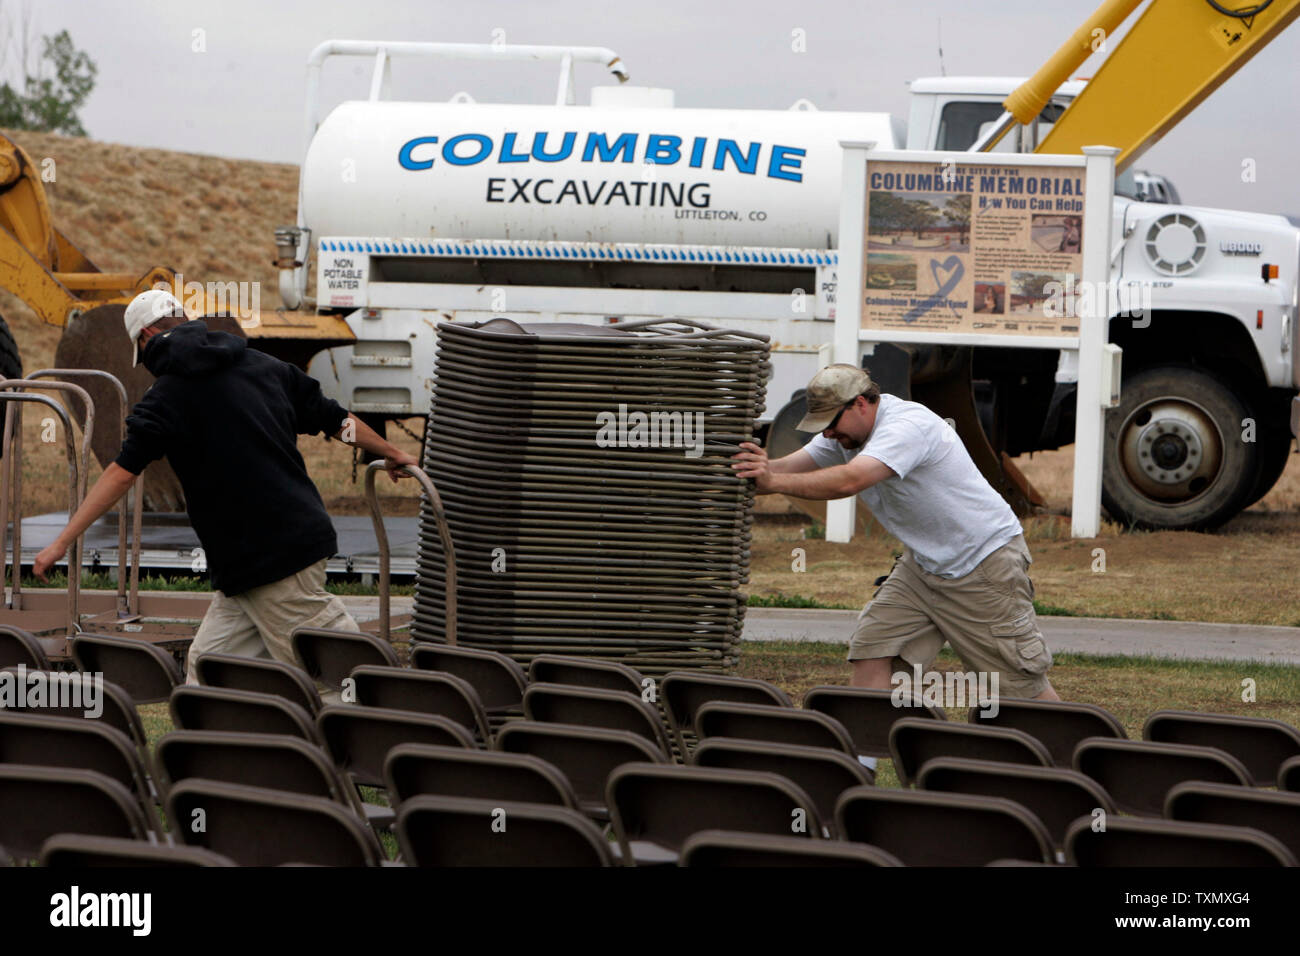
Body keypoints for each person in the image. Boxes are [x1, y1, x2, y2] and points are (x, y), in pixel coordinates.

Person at [33, 289, 419, 684]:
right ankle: (211, 741)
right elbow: (338, 421)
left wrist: (62, 541)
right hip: (256, 561)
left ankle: (384, 722)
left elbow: (121, 473)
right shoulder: (264, 366)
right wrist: (390, 451)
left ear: (147, 336)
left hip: (272, 560)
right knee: (208, 671)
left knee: (334, 680)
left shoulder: (164, 398)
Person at [731, 364, 1059, 703]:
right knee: (871, 652)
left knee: (1020, 686)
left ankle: (1073, 752)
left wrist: (772, 479)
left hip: (983, 565)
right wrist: (753, 470)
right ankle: (863, 755)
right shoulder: (846, 433)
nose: (827, 434)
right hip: (923, 566)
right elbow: (784, 468)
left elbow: (850, 480)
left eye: (830, 423)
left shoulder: (906, 426)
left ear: (860, 403)